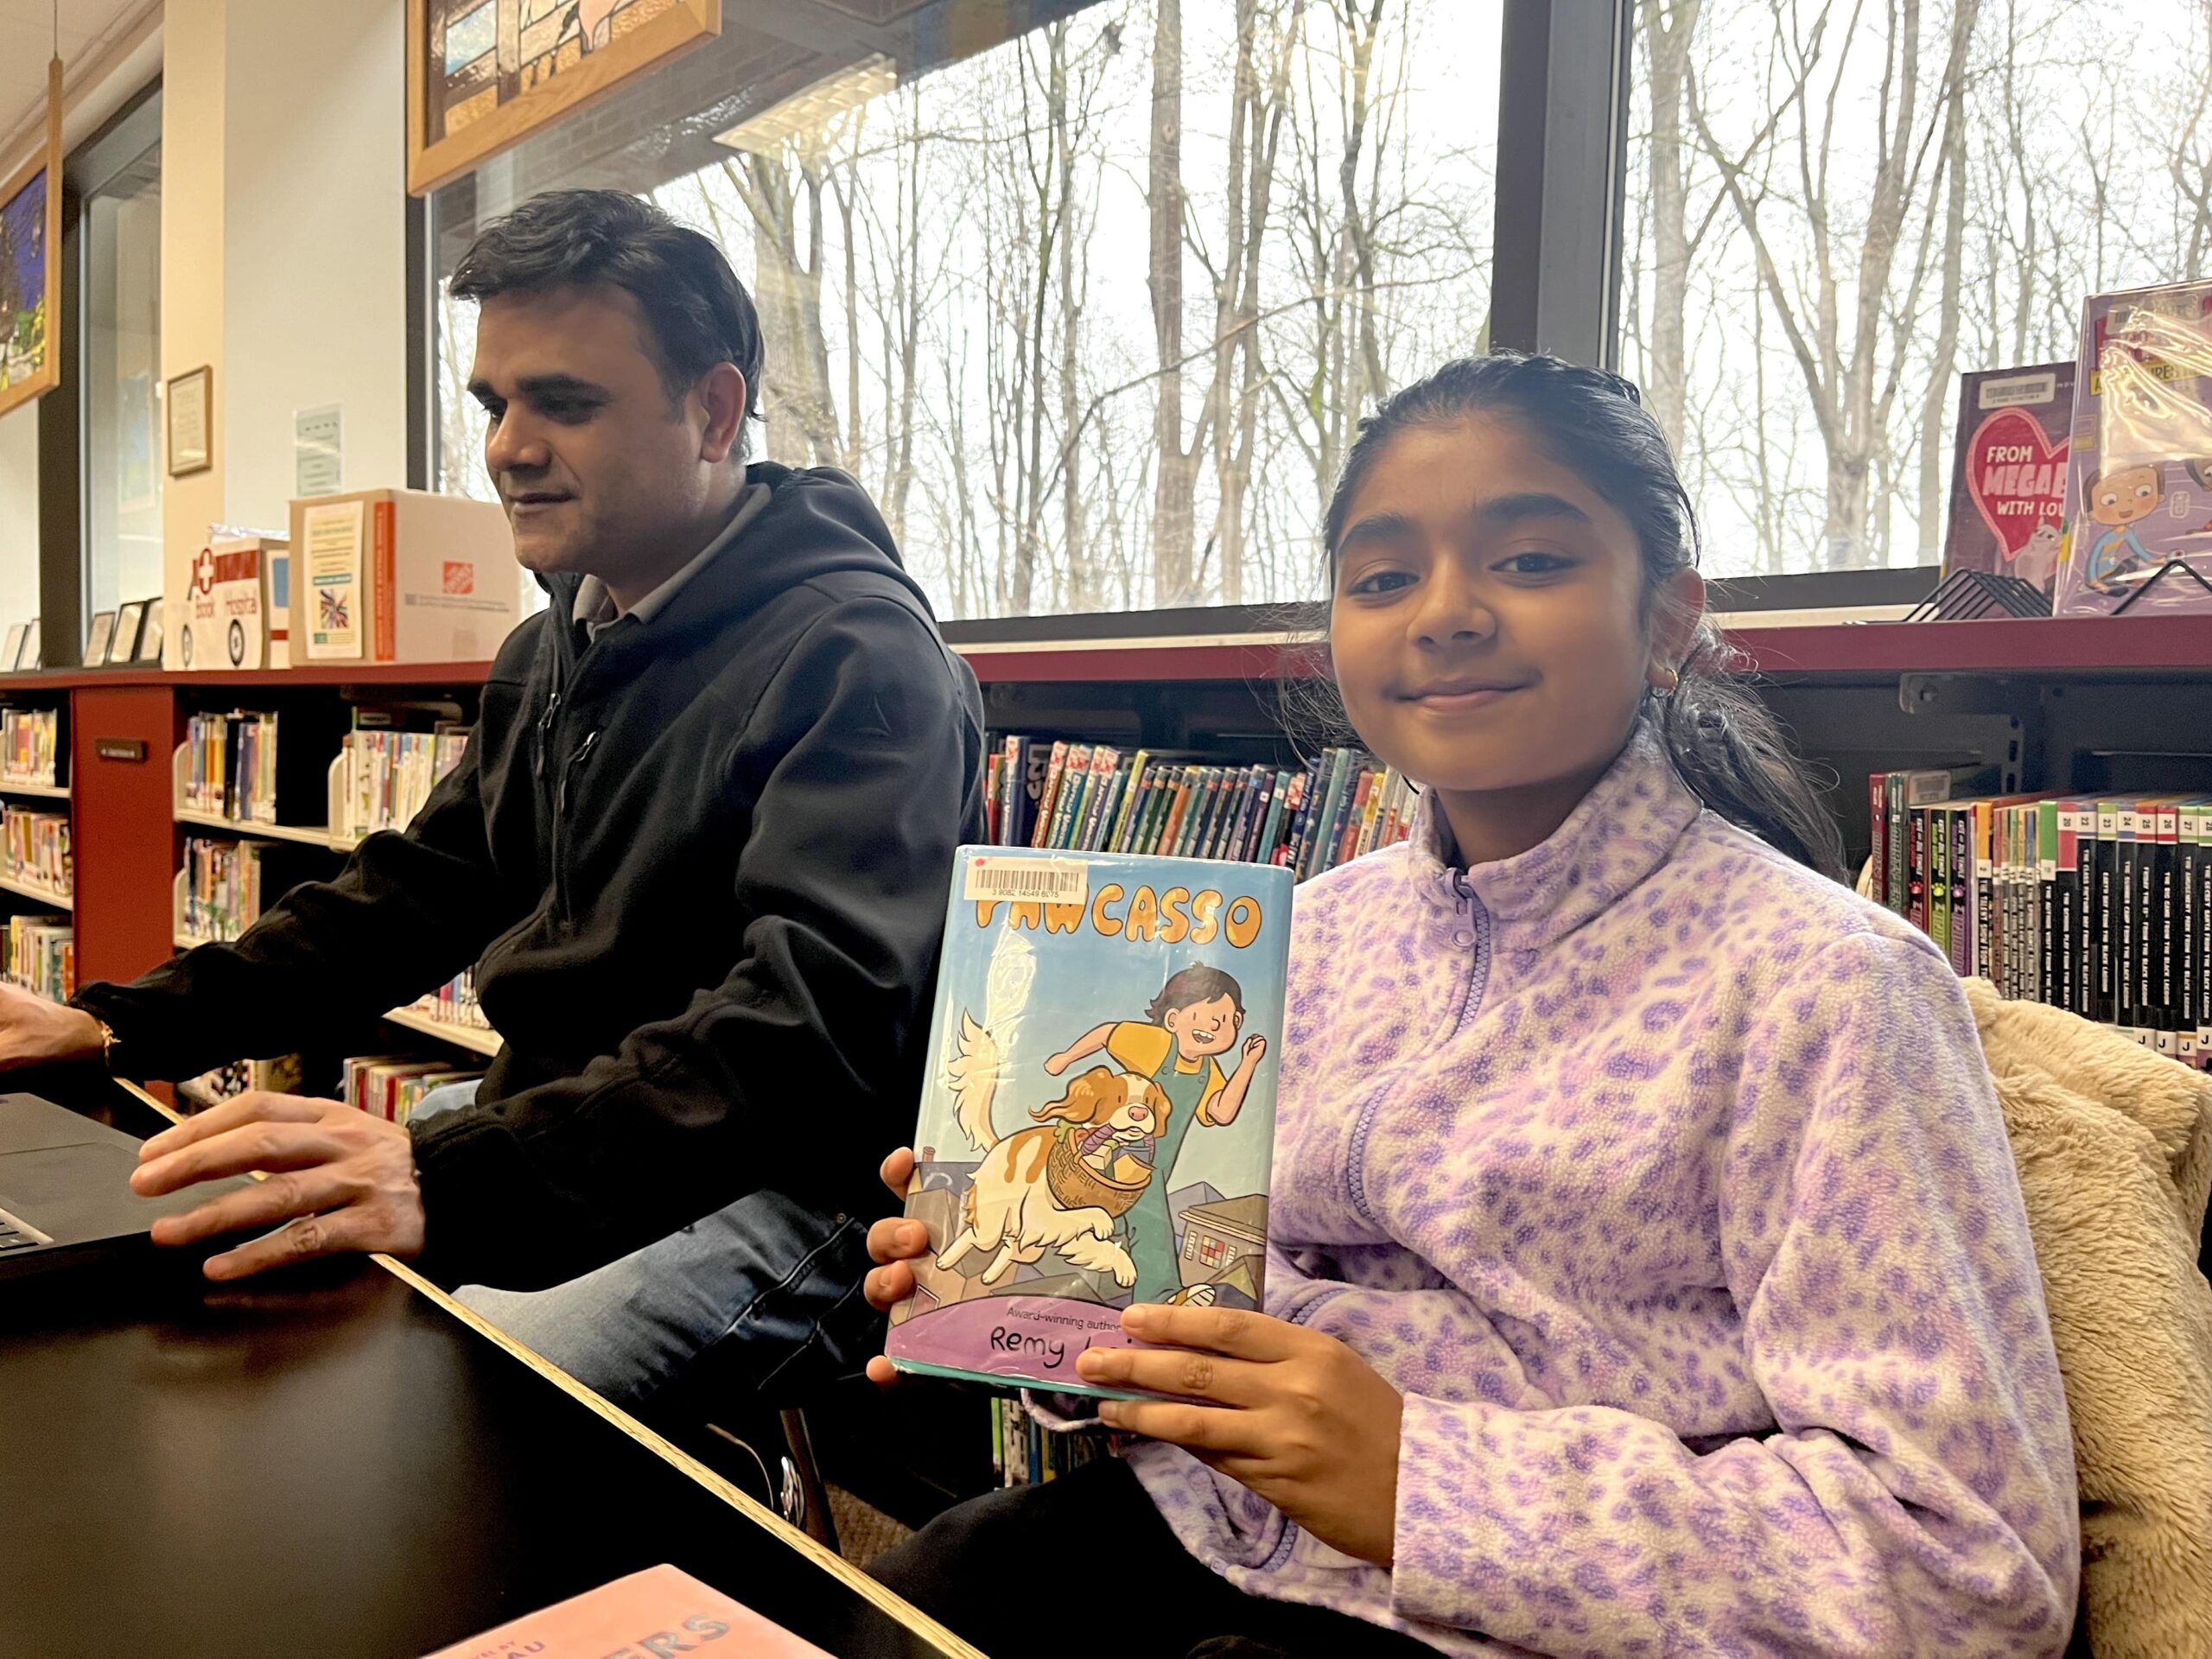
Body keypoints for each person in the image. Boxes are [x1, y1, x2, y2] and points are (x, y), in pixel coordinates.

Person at [857, 353, 2079, 1656]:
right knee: (912, 1599)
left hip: (1546, 1622)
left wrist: (1413, 1480)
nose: (1442, 614)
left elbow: (1967, 1570)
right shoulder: (1306, 935)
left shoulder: (1828, 987)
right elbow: (1218, 1287)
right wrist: (1042, 1301)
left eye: (1532, 561)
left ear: (1670, 619)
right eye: (1383, 578)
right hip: (1219, 1533)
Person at [0, 189, 985, 1408]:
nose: (509, 445)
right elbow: (412, 894)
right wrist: (122, 1026)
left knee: (432, 1407)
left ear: (714, 409)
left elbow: (812, 1033)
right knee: (229, 1282)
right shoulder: (557, 639)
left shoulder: (860, 654)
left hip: (793, 1188)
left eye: (563, 402)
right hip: (572, 1120)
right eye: (493, 403)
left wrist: (452, 1181)